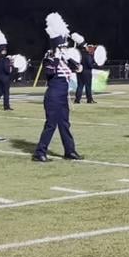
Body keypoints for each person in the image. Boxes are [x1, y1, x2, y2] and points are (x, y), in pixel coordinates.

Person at [34, 12, 83, 162]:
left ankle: (70, 151)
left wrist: (68, 58)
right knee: (51, 124)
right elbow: (49, 73)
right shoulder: (49, 58)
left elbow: (79, 68)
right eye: (62, 46)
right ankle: (40, 152)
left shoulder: (65, 58)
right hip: (53, 95)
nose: (65, 48)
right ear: (56, 46)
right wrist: (57, 56)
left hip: (62, 96)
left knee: (64, 124)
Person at [73, 35, 95, 104]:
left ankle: (77, 100)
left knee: (80, 86)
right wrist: (93, 64)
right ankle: (89, 99)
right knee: (88, 86)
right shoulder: (87, 55)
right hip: (87, 72)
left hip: (79, 71)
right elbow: (89, 64)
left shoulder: (78, 54)